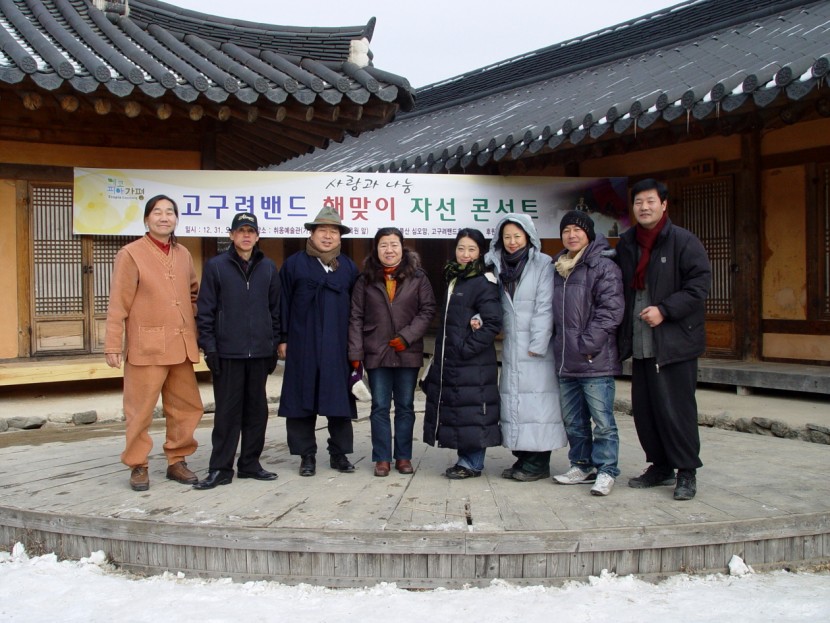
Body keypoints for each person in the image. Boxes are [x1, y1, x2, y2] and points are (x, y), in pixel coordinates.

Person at [616, 178, 711, 501]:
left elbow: (699, 286)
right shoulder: (627, 243)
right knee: (646, 410)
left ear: (664, 204)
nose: (644, 207)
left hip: (674, 342)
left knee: (677, 409)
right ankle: (660, 466)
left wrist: (665, 310)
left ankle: (686, 471)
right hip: (640, 342)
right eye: (638, 202)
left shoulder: (683, 241)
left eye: (650, 201)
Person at [104, 195, 203, 491]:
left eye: (170, 212)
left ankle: (177, 459)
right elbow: (118, 303)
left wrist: (189, 322)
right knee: (140, 410)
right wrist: (112, 344)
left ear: (176, 219)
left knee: (186, 407)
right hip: (146, 346)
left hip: (181, 345)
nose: (164, 217)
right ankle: (138, 464)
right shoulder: (130, 253)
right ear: (147, 219)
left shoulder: (183, 254)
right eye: (157, 212)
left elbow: (193, 293)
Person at [193, 213, 281, 490]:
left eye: (250, 231)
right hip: (228, 353)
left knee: (257, 412)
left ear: (257, 236)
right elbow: (205, 310)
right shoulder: (216, 266)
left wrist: (272, 346)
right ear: (231, 235)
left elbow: (275, 311)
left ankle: (250, 464)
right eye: (240, 231)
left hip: (259, 353)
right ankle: (220, 468)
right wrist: (210, 348)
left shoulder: (268, 267)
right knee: (227, 414)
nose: (246, 236)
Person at [278, 206, 359, 476]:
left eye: (333, 231)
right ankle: (306, 456)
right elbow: (282, 303)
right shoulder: (294, 264)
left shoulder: (348, 267)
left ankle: (339, 454)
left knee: (339, 400)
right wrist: (283, 338)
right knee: (301, 399)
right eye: (322, 230)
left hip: (337, 346)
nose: (327, 236)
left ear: (340, 237)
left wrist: (355, 345)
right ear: (311, 234)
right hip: (302, 343)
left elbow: (358, 310)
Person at [485, 214, 566, 481]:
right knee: (515, 401)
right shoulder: (495, 265)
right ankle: (523, 456)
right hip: (512, 344)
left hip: (536, 347)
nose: (512, 242)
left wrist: (538, 343)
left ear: (529, 237)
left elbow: (545, 306)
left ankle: (538, 462)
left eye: (517, 236)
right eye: (507, 236)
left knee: (538, 403)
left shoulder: (542, 263)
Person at [349, 228, 436, 477]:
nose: (389, 250)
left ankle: (403, 456)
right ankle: (382, 458)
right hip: (376, 351)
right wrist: (355, 352)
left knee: (406, 406)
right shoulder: (365, 279)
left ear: (402, 247)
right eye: (383, 245)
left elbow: (428, 309)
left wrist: (407, 336)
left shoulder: (418, 277)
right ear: (376, 249)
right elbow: (355, 316)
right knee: (379, 406)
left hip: (408, 351)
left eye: (394, 244)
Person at [551, 211, 625, 496]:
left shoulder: (603, 266)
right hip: (565, 359)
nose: (571, 235)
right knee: (574, 420)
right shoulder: (559, 267)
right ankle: (581, 465)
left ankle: (606, 470)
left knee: (602, 421)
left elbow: (611, 310)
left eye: (577, 230)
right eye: (566, 230)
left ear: (589, 234)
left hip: (594, 359)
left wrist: (587, 345)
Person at [422, 228, 502, 478]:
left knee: (473, 410)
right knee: (461, 408)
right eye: (461, 248)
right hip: (455, 358)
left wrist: (465, 349)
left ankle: (472, 463)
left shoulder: (483, 281)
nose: (465, 254)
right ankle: (465, 460)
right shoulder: (456, 277)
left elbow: (493, 322)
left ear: (481, 252)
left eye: (471, 249)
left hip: (473, 360)